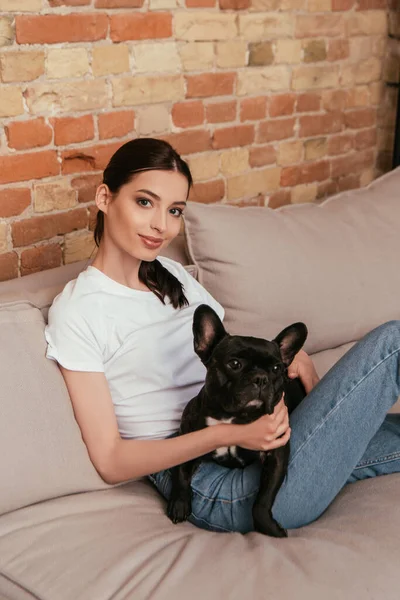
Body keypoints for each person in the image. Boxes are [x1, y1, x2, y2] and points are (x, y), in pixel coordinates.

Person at [44, 137, 400, 534]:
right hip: (210, 488)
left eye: (174, 210)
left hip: (263, 446)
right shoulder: (79, 310)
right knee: (393, 343)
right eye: (145, 202)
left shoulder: (173, 277)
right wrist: (232, 433)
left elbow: (232, 354)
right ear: (105, 198)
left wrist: (293, 366)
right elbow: (111, 462)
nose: (162, 225)